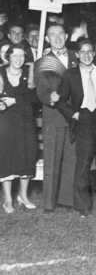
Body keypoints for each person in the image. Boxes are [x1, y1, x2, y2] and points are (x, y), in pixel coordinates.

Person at [56, 39, 96, 217]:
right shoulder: (69, 75)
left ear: (94, 53)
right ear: (77, 54)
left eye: (90, 51)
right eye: (83, 52)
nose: (87, 55)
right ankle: (82, 205)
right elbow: (61, 102)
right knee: (84, 162)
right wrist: (74, 114)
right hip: (84, 118)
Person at [34, 24, 78, 212]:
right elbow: (41, 89)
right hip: (54, 115)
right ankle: (49, 203)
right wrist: (49, 98)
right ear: (47, 39)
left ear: (66, 36)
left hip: (74, 116)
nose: (57, 37)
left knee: (71, 158)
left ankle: (66, 200)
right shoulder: (43, 62)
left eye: (60, 33)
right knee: (51, 160)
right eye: (52, 34)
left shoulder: (77, 57)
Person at [0, 45, 37, 213]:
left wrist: (14, 100)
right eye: (15, 55)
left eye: (22, 55)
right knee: (7, 156)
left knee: (27, 155)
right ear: (8, 57)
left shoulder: (29, 73)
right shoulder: (1, 73)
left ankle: (23, 195)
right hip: (6, 121)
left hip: (26, 120)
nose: (18, 59)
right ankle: (8, 200)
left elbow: (34, 96)